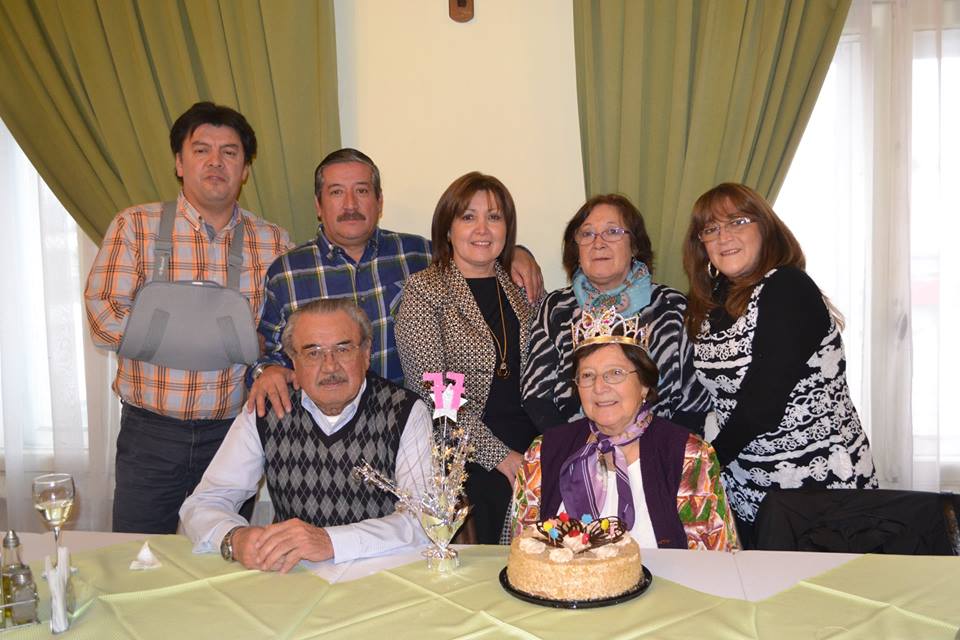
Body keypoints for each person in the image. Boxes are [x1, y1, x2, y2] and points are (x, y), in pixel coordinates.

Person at [85, 102, 291, 533]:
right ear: (179, 163)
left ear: (245, 169)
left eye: (230, 152)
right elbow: (103, 316)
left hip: (233, 433)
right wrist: (220, 339)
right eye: (201, 150)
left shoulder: (273, 241)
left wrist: (162, 331)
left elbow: (284, 333)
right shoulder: (135, 226)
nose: (216, 162)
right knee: (138, 554)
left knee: (224, 554)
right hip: (150, 433)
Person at [246, 149, 544, 419]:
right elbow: (268, 352)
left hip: (405, 423)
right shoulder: (287, 273)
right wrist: (266, 370)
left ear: (379, 201)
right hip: (325, 427)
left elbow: (475, 252)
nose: (350, 204)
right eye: (336, 192)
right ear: (318, 205)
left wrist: (516, 255)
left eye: (362, 190)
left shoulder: (418, 255)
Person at [682, 182, 877, 544]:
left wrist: (703, 464)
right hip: (747, 484)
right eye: (711, 228)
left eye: (738, 221)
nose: (724, 236)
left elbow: (763, 404)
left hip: (816, 485)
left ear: (766, 228)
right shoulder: (710, 303)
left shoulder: (788, 287)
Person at [180, 299, 431, 570]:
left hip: (383, 572)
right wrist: (234, 538)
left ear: (366, 352)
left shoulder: (404, 410)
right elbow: (204, 503)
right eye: (313, 353)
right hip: (292, 574)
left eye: (343, 349)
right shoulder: (267, 409)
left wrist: (330, 542)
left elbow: (426, 517)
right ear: (293, 360)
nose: (330, 367)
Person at [511, 307, 738, 550]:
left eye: (615, 373)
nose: (599, 387)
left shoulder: (689, 455)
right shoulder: (543, 452)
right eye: (587, 375)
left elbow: (712, 558)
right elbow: (524, 551)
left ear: (644, 384)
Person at [394, 172, 539, 544]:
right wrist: (500, 457)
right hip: (466, 457)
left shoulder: (520, 288)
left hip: (530, 447)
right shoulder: (425, 290)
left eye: (494, 217)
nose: (482, 229)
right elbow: (437, 397)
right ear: (447, 228)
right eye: (468, 216)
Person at [522, 194, 710, 435]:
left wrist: (651, 451)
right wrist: (583, 449)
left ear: (635, 246)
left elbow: (695, 401)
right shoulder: (556, 308)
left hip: (660, 446)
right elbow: (536, 396)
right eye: (587, 234)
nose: (598, 243)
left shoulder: (673, 307)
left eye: (612, 232)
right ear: (576, 249)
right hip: (575, 446)